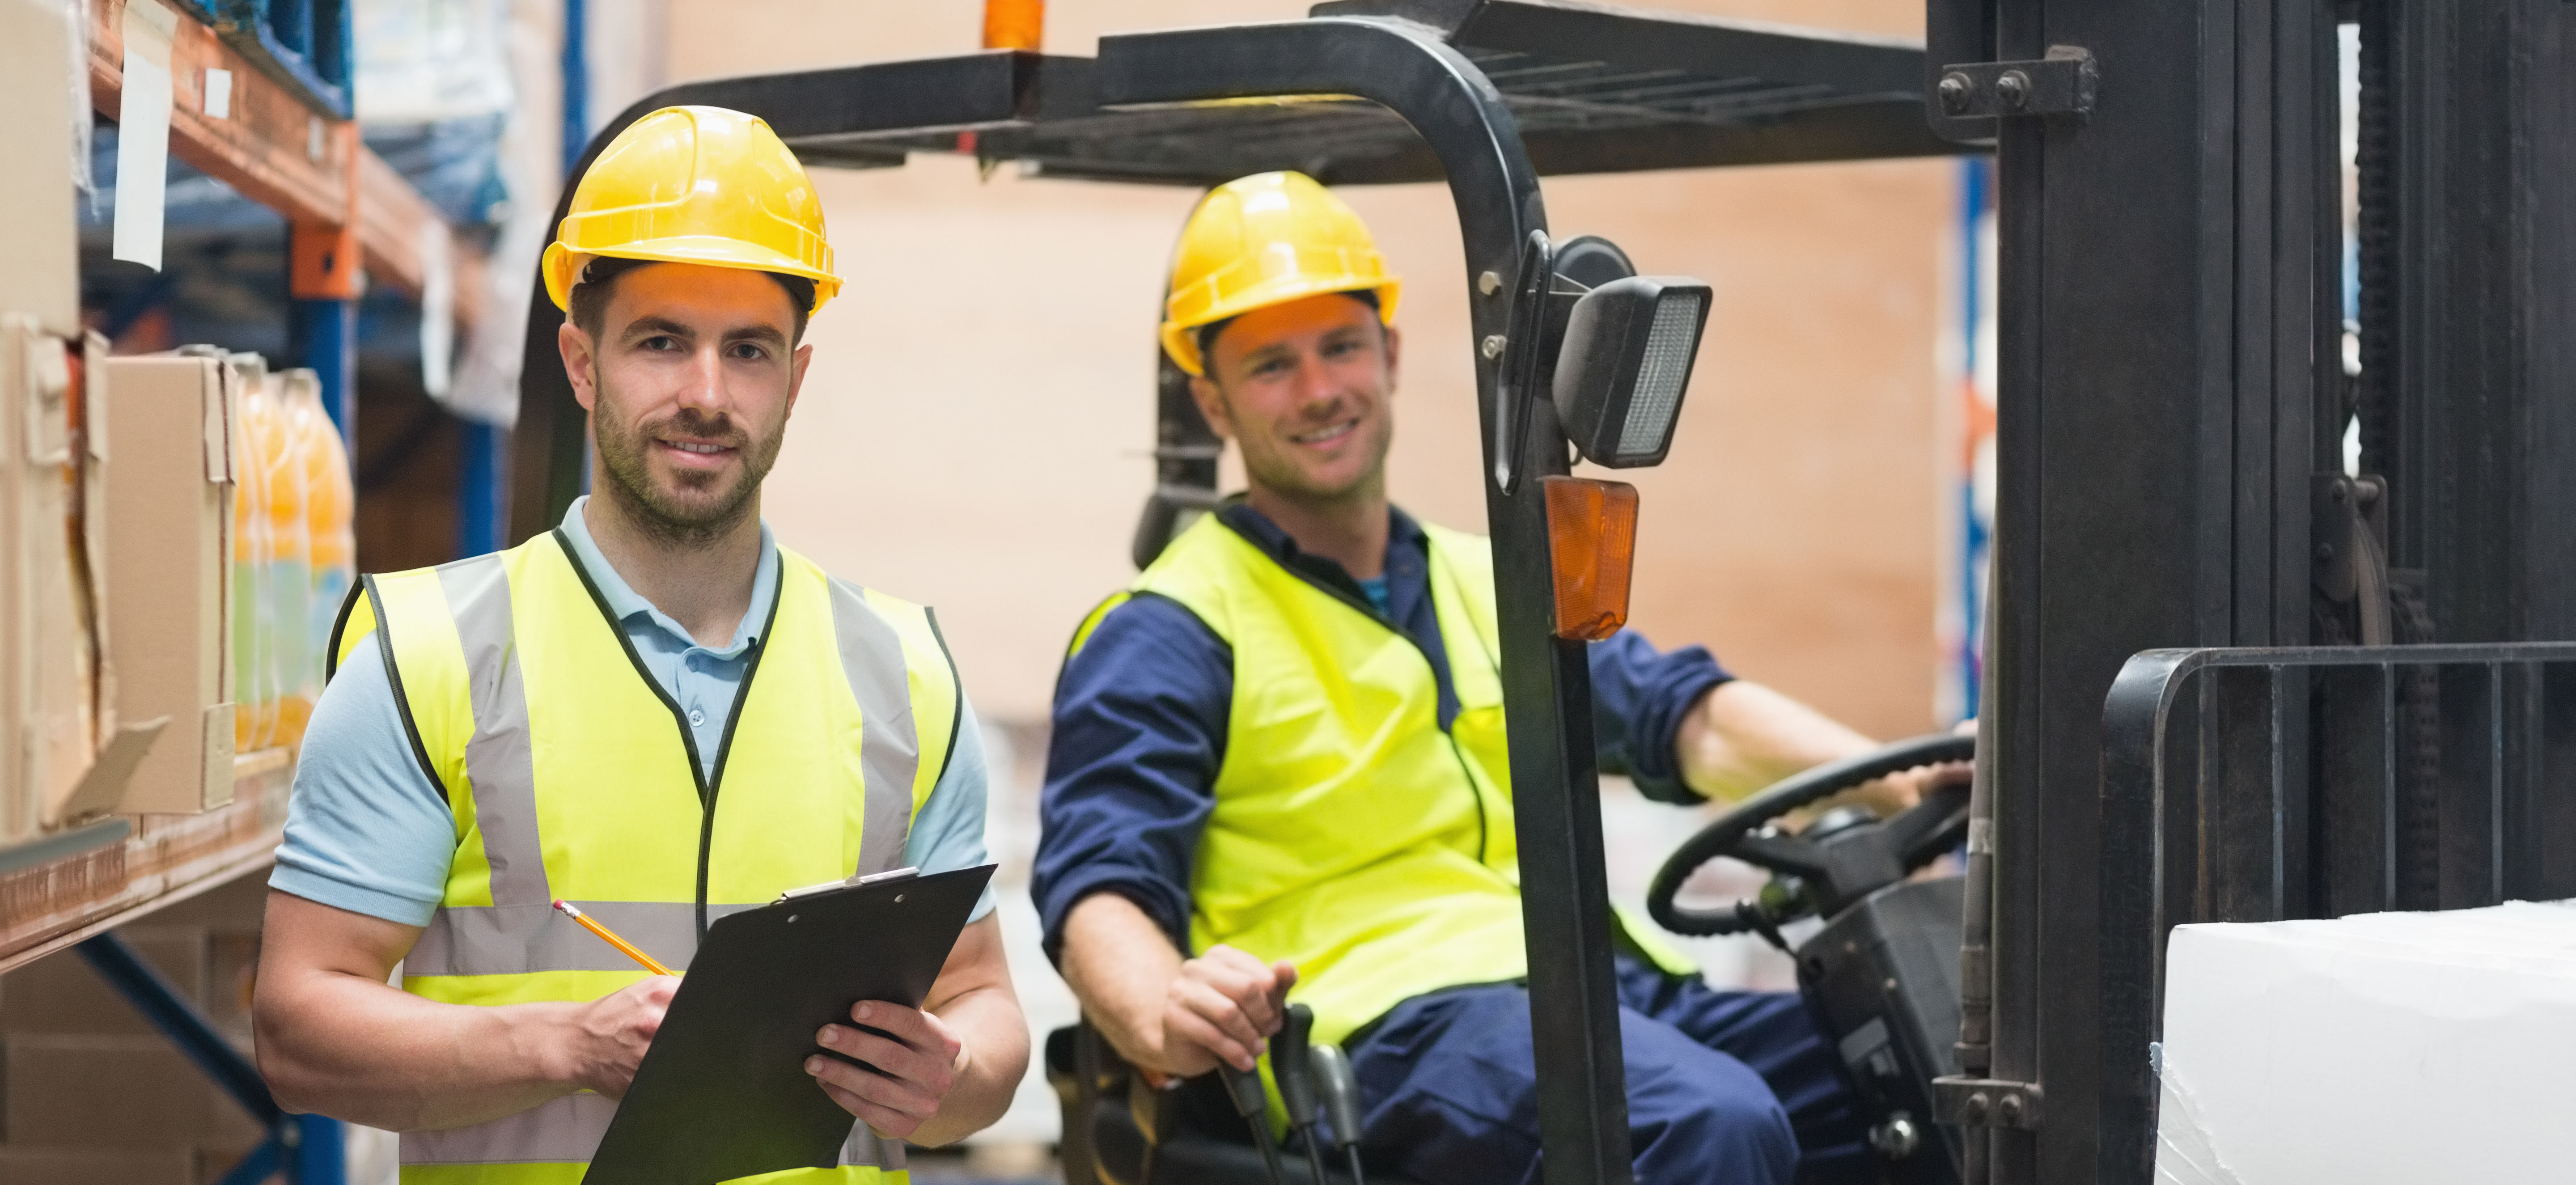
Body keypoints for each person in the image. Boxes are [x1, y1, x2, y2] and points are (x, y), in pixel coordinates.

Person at [1034, 171, 1946, 1185]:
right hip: (1381, 1024)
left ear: (1390, 352)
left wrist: (1907, 779)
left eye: (1340, 346)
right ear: (1214, 400)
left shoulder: (1490, 574)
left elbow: (1684, 717)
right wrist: (1162, 1012)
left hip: (1592, 984)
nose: (1320, 388)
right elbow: (1100, 885)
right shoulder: (1172, 625)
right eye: (1271, 366)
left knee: (1932, 1066)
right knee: (1703, 1124)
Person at [251, 106, 1027, 1183]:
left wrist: (952, 1074)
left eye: (747, 350)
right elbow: (295, 1025)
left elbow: (983, 1004)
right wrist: (564, 1044)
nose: (705, 395)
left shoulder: (900, 670)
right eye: (661, 341)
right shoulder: (426, 655)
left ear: (794, 380)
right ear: (582, 362)